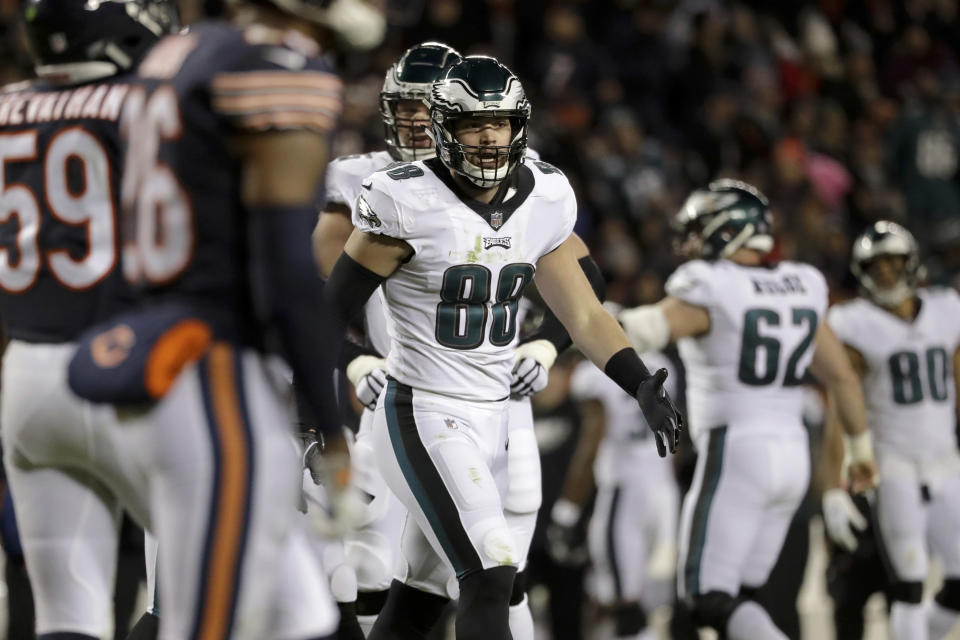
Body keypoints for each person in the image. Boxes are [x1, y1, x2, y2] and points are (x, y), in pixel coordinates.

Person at [326, 54, 681, 640]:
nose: (489, 138)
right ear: (445, 129)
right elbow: (327, 311)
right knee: (491, 572)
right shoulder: (405, 199)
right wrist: (315, 407)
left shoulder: (544, 194)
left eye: (501, 123)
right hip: (422, 408)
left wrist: (637, 380)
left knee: (419, 599)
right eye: (472, 124)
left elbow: (584, 311)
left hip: (496, 416)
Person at [67, 1, 384, 638]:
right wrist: (333, 433)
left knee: (306, 614)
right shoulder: (277, 70)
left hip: (155, 345)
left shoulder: (176, 54)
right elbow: (289, 275)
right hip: (214, 372)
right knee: (202, 616)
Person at [618, 179, 875, 640]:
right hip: (793, 454)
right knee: (743, 594)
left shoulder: (713, 284)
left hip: (737, 449)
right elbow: (842, 378)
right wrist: (859, 451)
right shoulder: (802, 283)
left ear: (726, 229)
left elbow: (654, 326)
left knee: (705, 595)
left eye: (698, 230)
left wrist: (586, 322)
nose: (691, 242)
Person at [0, 2, 178, 638]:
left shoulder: (7, 106)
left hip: (25, 372)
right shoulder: (151, 104)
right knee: (219, 593)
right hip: (132, 370)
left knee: (65, 614)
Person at [824, 221, 960, 640]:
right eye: (875, 265)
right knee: (909, 584)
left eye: (892, 262)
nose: (884, 272)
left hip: (945, 461)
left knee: (957, 584)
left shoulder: (947, 308)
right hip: (893, 465)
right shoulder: (852, 322)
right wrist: (831, 484)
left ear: (911, 263)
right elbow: (839, 409)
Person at [550, 344, 680, 640]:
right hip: (663, 492)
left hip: (624, 493)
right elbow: (676, 431)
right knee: (652, 605)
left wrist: (567, 511)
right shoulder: (659, 363)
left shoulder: (592, 375)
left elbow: (592, 440)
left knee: (622, 606)